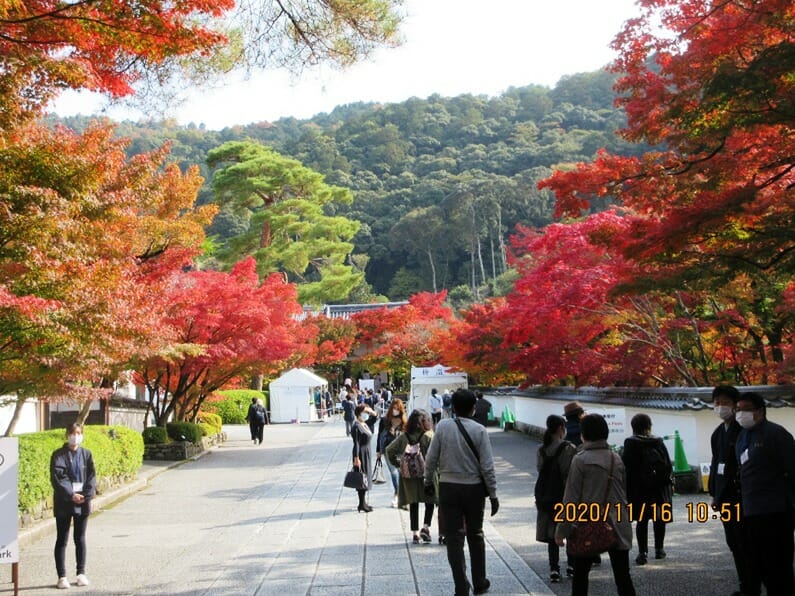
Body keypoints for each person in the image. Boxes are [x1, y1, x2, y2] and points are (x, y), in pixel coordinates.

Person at [424, 389, 499, 596]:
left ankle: (460, 584)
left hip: (448, 487)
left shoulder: (443, 427)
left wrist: (428, 481)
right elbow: (487, 466)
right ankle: (479, 580)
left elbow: (431, 458)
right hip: (474, 489)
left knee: (454, 538)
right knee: (476, 534)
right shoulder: (480, 430)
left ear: (453, 408)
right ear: (474, 408)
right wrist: (493, 494)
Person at [555, 414, 636, 596]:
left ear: (584, 434)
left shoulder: (580, 460)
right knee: (623, 577)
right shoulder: (616, 458)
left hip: (588, 524)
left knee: (581, 577)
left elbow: (571, 499)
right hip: (618, 524)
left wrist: (562, 531)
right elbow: (623, 493)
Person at [735, 392, 795, 595]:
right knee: (757, 561)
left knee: (778, 564)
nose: (740, 413)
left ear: (760, 411)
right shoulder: (743, 436)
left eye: (746, 409)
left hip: (776, 510)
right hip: (752, 510)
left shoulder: (776, 434)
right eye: (738, 409)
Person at [708, 385, 753, 596]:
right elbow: (716, 464)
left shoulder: (744, 430)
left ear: (736, 405)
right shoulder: (717, 434)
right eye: (716, 403)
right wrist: (714, 495)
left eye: (725, 403)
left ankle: (751, 586)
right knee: (733, 542)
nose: (720, 407)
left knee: (746, 542)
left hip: (742, 496)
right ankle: (745, 584)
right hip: (724, 498)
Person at [50, 423, 97, 590]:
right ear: (66, 435)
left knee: (80, 538)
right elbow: (58, 477)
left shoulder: (86, 454)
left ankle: (81, 573)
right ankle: (62, 576)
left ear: (82, 435)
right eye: (72, 433)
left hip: (82, 502)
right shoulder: (58, 455)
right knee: (62, 539)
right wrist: (71, 494)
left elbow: (91, 476)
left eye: (78, 433)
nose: (75, 436)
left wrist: (86, 494)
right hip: (64, 501)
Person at [622, 413, 673, 565]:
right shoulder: (658, 441)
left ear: (633, 427)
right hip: (659, 487)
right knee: (659, 519)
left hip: (639, 489)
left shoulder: (630, 442)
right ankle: (659, 550)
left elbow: (627, 467)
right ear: (649, 426)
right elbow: (668, 464)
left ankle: (642, 552)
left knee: (642, 520)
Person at [535, 415, 576, 583]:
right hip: (565, 495)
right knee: (571, 530)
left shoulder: (541, 449)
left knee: (552, 534)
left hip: (546, 496)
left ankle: (554, 568)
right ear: (561, 428)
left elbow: (540, 471)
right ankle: (572, 566)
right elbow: (570, 475)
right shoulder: (569, 448)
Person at [387, 409, 436, 543]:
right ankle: (425, 527)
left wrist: (398, 464)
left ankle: (415, 533)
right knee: (429, 501)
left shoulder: (404, 437)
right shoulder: (429, 436)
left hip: (409, 475)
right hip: (427, 474)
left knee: (413, 502)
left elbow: (389, 450)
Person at [377, 397, 407, 508]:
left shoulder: (403, 421)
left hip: (401, 450)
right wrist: (378, 451)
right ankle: (397, 493)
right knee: (394, 472)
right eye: (394, 408)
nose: (395, 410)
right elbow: (379, 436)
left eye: (397, 409)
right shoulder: (385, 420)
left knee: (400, 472)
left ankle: (398, 494)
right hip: (388, 449)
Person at [351, 404, 377, 512]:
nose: (366, 414)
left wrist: (370, 411)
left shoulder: (364, 424)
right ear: (358, 413)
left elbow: (375, 417)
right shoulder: (356, 426)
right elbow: (356, 443)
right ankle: (361, 503)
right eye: (364, 412)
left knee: (366, 478)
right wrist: (356, 458)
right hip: (360, 453)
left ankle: (363, 502)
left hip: (367, 452)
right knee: (361, 477)